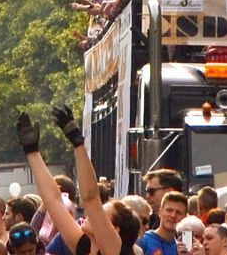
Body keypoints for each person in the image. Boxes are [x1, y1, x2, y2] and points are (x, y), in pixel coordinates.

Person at [16, 103, 142, 255]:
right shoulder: (85, 247)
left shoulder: (117, 251)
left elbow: (91, 199)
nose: (92, 213)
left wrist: (78, 142)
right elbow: (52, 200)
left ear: (115, 230)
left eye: (102, 212)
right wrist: (32, 151)